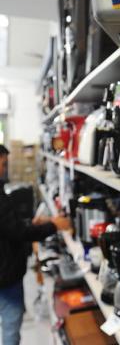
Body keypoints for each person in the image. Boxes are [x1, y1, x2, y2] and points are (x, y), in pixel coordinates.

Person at [0, 144, 70, 345]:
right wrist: (53, 225)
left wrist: (30, 223)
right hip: (5, 275)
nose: (5, 169)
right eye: (3, 164)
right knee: (12, 321)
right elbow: (17, 233)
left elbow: (7, 225)